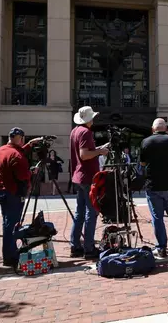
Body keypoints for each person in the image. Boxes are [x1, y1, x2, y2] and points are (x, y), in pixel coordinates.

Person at [0, 128, 43, 267]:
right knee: (13, 225)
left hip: (1, 191)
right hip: (13, 193)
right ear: (20, 138)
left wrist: (29, 145)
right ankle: (11, 256)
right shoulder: (17, 156)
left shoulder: (2, 149)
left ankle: (8, 254)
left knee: (7, 223)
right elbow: (22, 174)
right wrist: (31, 172)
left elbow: (14, 154)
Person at [140, 118, 168, 258]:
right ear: (165, 128)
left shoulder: (146, 142)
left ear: (153, 129)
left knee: (157, 218)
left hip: (154, 185)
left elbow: (142, 163)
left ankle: (161, 247)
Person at [70, 106, 109, 259]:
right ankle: (89, 248)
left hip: (78, 176)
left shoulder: (75, 131)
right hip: (87, 177)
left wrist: (98, 148)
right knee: (91, 212)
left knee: (79, 213)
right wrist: (100, 151)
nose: (93, 119)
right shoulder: (86, 132)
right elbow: (85, 155)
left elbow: (83, 152)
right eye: (92, 117)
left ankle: (75, 245)